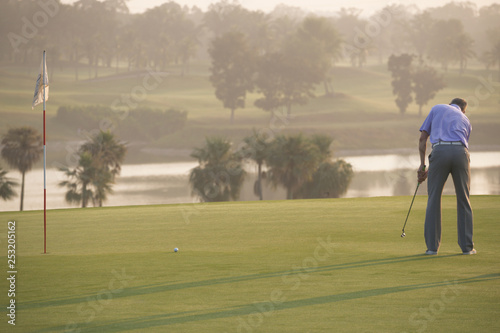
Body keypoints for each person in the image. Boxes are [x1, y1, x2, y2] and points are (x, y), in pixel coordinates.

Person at [417, 97, 475, 255]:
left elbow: (423, 139)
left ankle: (432, 249)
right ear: (463, 110)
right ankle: (467, 248)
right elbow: (460, 146)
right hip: (461, 153)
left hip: (440, 151)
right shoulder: (466, 119)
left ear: (450, 104)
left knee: (434, 198)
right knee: (464, 198)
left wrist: (423, 166)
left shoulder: (437, 108)